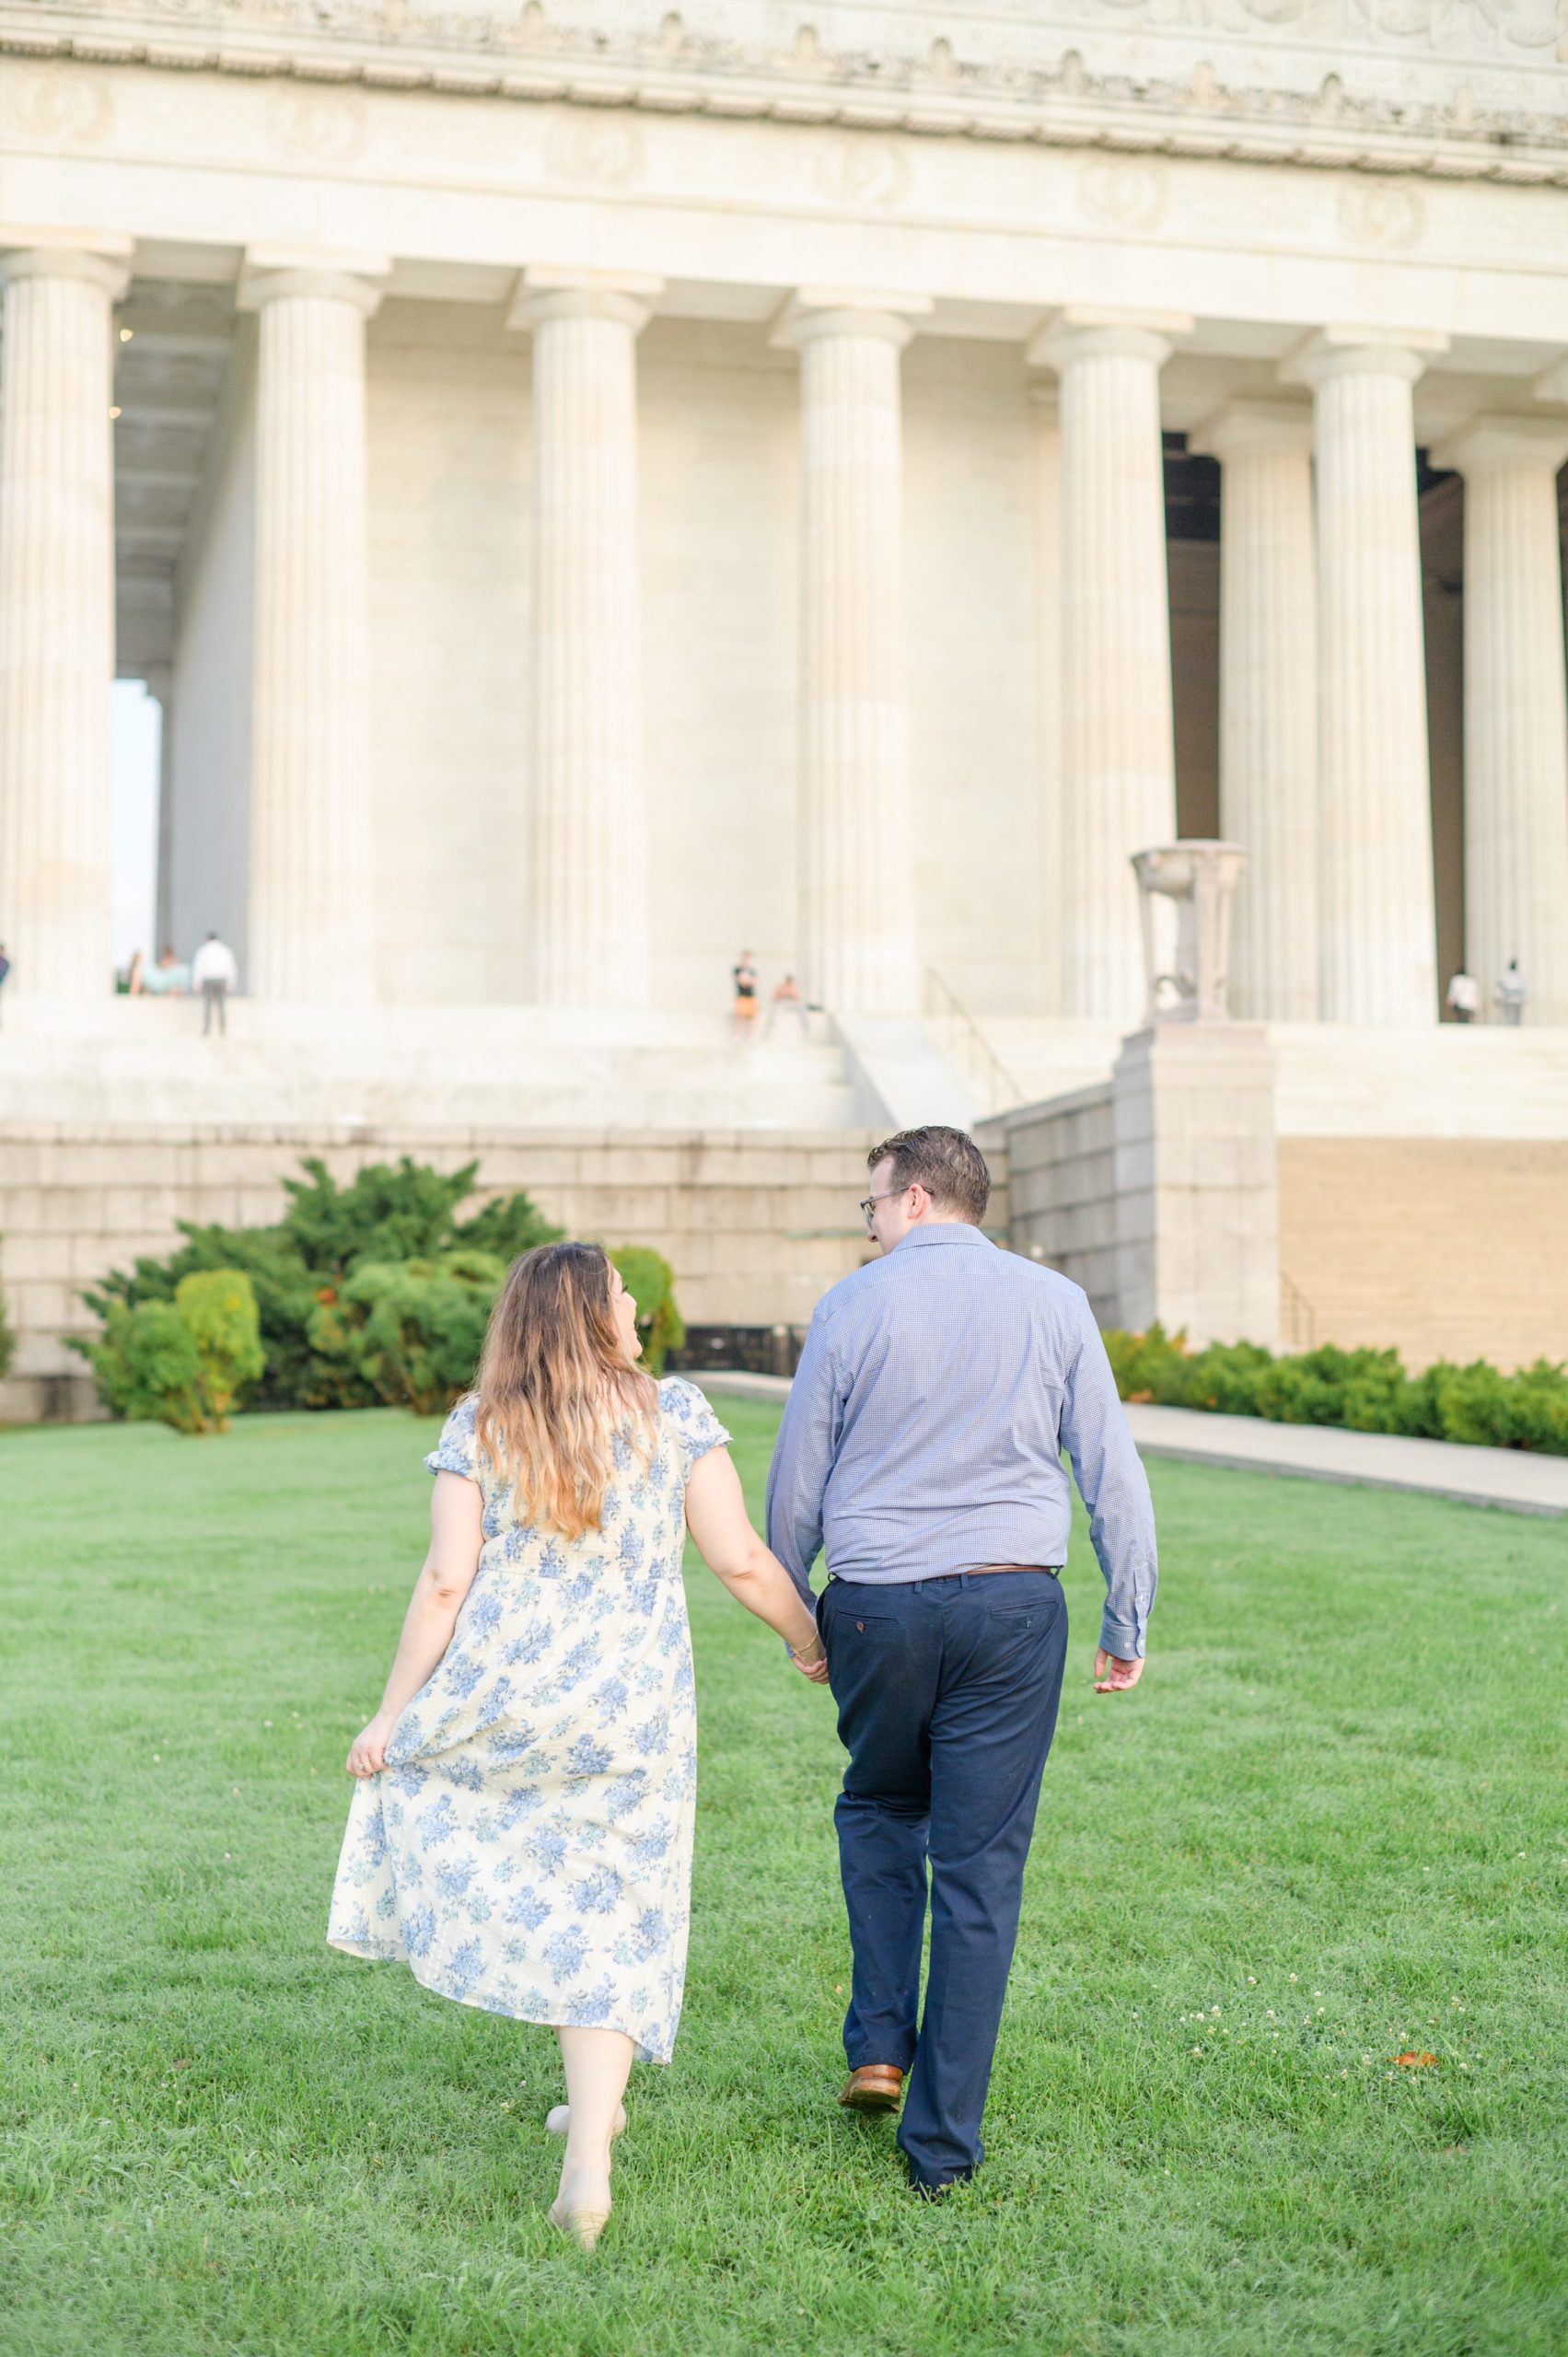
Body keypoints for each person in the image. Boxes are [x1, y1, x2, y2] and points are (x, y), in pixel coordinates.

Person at [329, 1241, 828, 2250]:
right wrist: (807, 1634)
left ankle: (589, 2125)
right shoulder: (671, 1413)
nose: (638, 1302)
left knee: (555, 1902)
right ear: (591, 1316)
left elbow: (442, 1581)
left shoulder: (480, 1424)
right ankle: (587, 2158)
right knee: (615, 1909)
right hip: (632, 1711)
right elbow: (735, 1555)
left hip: (506, 1705)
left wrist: (390, 1717)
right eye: (620, 1294)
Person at [766, 1124, 1156, 2199]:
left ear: (921, 1200)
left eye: (874, 1206)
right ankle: (940, 2151)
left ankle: (879, 2045)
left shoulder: (853, 1302)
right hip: (1013, 1605)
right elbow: (1110, 1472)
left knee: (880, 1804)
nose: (873, 1224)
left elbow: (800, 1467)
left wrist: (796, 1607)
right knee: (979, 1870)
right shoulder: (1056, 1302)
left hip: (877, 1607)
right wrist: (1127, 1614)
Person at [190, 930, 238, 1033]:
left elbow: (198, 968)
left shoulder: (203, 950)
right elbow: (231, 968)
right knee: (221, 1005)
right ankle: (222, 1029)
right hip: (221, 979)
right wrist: (231, 983)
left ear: (208, 939)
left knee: (208, 1005)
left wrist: (196, 983)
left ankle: (207, 1029)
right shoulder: (225, 950)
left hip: (209, 980)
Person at [766, 971, 809, 1038]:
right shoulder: (781, 987)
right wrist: (782, 995)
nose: (789, 982)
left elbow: (798, 998)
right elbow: (774, 997)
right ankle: (770, 1028)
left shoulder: (794, 988)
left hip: (792, 1003)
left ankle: (806, 1028)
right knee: (774, 1008)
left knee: (802, 1008)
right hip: (782, 1003)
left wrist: (791, 994)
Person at [731, 949, 759, 1035]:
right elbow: (741, 981)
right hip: (741, 996)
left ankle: (750, 1036)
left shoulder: (753, 971)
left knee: (751, 1017)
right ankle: (737, 1036)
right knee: (739, 1017)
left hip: (751, 996)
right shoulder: (737, 970)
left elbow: (754, 982)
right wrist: (747, 980)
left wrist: (747, 980)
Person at [1495, 958, 1527, 1026]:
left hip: (1517, 999)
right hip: (1508, 999)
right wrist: (1499, 997)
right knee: (1509, 1016)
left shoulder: (1519, 975)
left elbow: (1523, 988)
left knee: (1517, 1017)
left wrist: (1523, 998)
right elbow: (1500, 986)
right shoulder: (1505, 975)